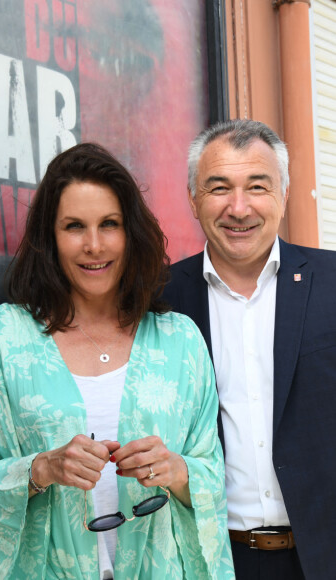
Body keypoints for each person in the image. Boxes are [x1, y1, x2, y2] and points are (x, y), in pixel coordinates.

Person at [0, 142, 234, 579]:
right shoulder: (1, 339)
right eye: (74, 226)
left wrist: (177, 471)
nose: (94, 245)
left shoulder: (181, 342)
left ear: (130, 232)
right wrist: (40, 468)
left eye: (110, 224)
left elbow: (213, 482)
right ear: (49, 237)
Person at [162, 119, 336, 580]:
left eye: (257, 186)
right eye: (219, 188)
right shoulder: (157, 300)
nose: (238, 208)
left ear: (283, 192)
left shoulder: (332, 282)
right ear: (193, 198)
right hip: (212, 558)